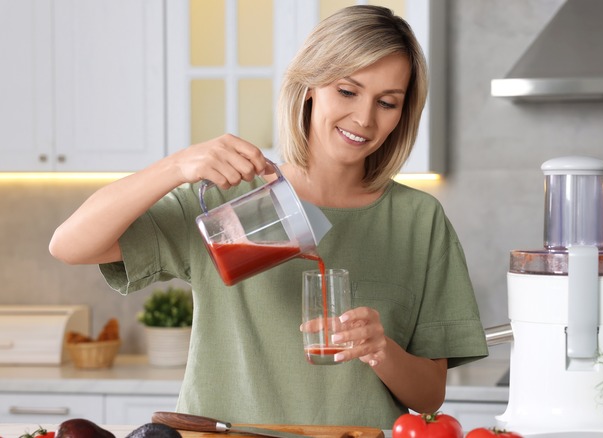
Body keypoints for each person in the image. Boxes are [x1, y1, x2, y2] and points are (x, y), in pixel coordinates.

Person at [49, 5, 488, 429]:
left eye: (387, 103)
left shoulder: (418, 220)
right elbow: (68, 245)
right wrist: (177, 166)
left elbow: (429, 397)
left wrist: (381, 349)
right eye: (348, 91)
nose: (364, 118)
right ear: (310, 87)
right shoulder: (230, 198)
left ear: (402, 115)